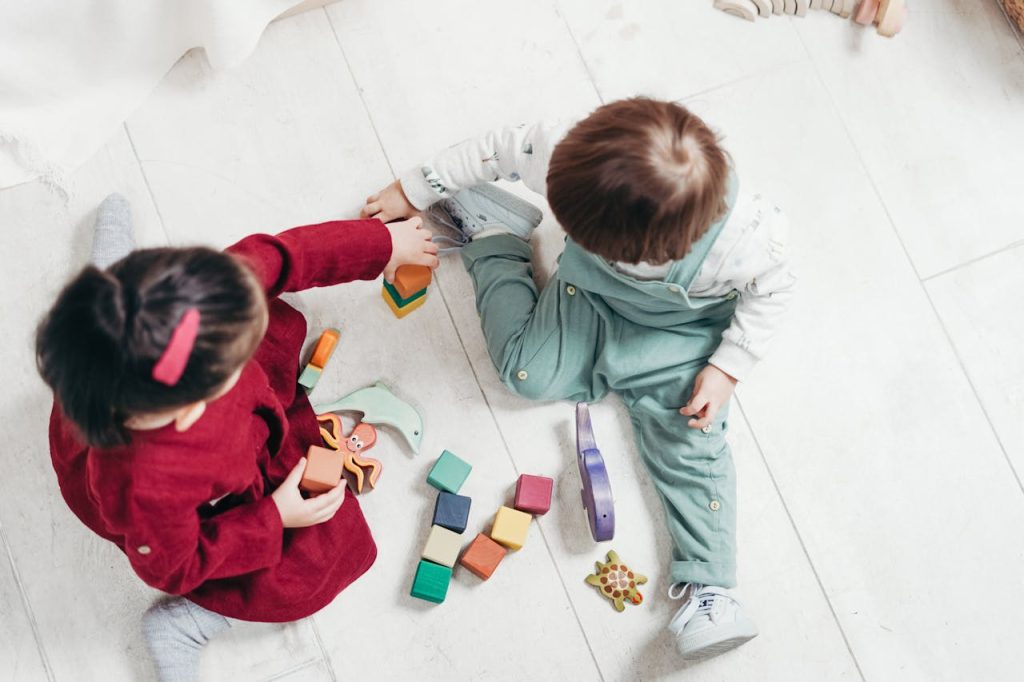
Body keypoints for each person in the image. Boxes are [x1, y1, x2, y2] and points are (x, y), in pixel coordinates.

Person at [361, 98, 797, 662]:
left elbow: (776, 290)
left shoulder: (745, 236)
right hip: (589, 296)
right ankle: (496, 231)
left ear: (669, 246)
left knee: (690, 438)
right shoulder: (570, 147)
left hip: (680, 335)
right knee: (524, 373)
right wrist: (415, 188)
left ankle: (711, 587)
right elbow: (494, 149)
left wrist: (727, 368)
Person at [36, 194, 438, 680]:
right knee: (313, 566)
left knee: (276, 318)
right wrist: (272, 517)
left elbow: (286, 255)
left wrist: (383, 243)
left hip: (179, 392)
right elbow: (173, 566)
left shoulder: (205, 301)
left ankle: (108, 277)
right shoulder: (146, 488)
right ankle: (188, 624)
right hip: (215, 495)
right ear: (185, 414)